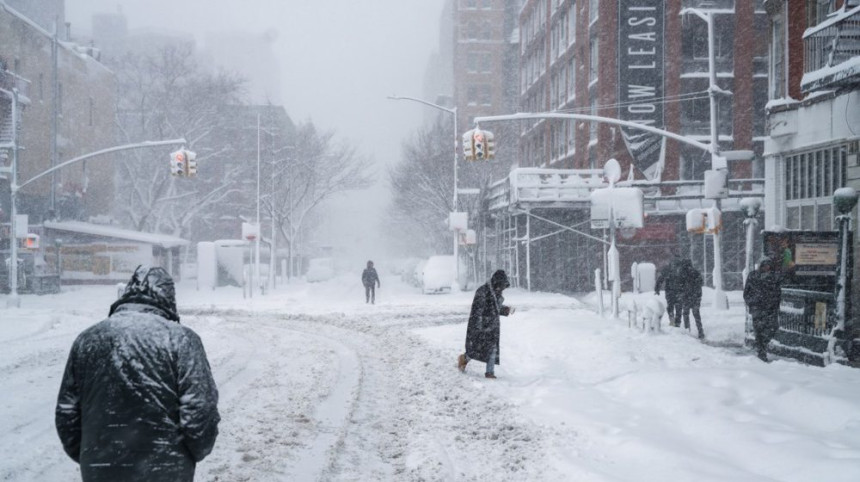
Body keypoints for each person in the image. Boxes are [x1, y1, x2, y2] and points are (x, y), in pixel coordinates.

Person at [55, 266, 220, 482]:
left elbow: (67, 413)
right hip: (167, 468)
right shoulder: (181, 340)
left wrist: (93, 454)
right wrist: (193, 452)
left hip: (101, 468)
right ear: (169, 298)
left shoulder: (87, 340)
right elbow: (200, 411)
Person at [458, 269, 514, 379]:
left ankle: (489, 372)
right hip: (481, 326)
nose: (502, 289)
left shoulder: (495, 293)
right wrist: (479, 327)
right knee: (476, 348)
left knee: (492, 349)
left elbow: (494, 309)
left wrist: (505, 310)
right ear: (496, 283)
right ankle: (464, 359)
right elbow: (478, 311)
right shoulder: (483, 292)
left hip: (491, 326)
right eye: (501, 286)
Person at [743, 257, 783, 362]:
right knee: (759, 331)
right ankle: (761, 352)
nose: (767, 267)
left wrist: (775, 304)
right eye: (765, 265)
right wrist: (753, 303)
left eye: (769, 265)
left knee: (773, 328)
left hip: (770, 309)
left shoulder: (774, 277)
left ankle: (761, 346)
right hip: (757, 308)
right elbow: (746, 292)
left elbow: (778, 292)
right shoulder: (753, 276)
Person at [676, 258, 705, 339]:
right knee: (696, 315)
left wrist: (681, 294)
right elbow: (701, 283)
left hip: (686, 297)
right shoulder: (695, 272)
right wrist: (698, 295)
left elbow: (679, 286)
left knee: (686, 314)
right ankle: (700, 332)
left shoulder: (682, 273)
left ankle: (687, 330)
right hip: (695, 296)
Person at [655, 253, 682, 327]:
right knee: (679, 307)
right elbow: (687, 280)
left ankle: (671, 319)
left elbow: (660, 279)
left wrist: (657, 289)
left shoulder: (668, 268)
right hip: (679, 291)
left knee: (670, 306)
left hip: (669, 291)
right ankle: (678, 322)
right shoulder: (682, 268)